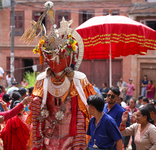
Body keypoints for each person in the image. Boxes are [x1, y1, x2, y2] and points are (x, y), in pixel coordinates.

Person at [26, 8, 96, 149]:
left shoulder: (79, 79)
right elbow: (36, 113)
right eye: (49, 59)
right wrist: (35, 103)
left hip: (71, 137)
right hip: (48, 136)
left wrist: (79, 139)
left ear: (68, 56)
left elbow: (84, 111)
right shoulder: (42, 79)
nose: (54, 63)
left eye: (58, 59)